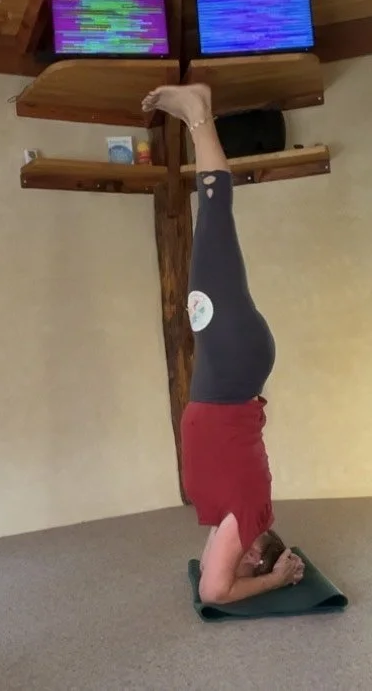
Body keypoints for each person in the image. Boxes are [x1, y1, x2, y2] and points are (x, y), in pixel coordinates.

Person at [143, 82, 306, 605]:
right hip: (232, 367)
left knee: (210, 250)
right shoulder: (246, 520)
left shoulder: (238, 518)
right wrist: (276, 580)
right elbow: (215, 592)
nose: (221, 551)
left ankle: (198, 116)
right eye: (245, 560)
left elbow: (218, 561)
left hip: (234, 369)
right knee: (214, 230)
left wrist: (272, 564)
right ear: (254, 554)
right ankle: (198, 114)